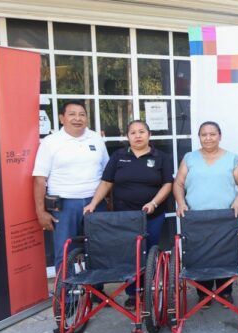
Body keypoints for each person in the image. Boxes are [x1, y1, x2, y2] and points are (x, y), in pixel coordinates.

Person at [83, 120, 173, 308]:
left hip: (152, 215)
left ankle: (149, 289)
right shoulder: (118, 156)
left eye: (142, 132)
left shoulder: (161, 157)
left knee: (149, 251)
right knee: (129, 254)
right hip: (124, 217)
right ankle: (133, 293)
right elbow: (107, 182)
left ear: (149, 135)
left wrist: (154, 203)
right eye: (133, 132)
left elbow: (168, 184)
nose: (138, 136)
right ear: (127, 136)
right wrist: (93, 203)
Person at [173, 121, 238, 305]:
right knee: (200, 253)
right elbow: (178, 184)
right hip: (196, 217)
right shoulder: (189, 158)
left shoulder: (231, 158)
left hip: (225, 217)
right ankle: (203, 293)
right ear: (199, 137)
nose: (208, 138)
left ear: (220, 136)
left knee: (225, 252)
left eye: (212, 134)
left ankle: (225, 291)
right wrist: (181, 202)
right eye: (204, 134)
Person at [33, 100, 109, 272]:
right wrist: (41, 211)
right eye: (72, 114)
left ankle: (96, 290)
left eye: (82, 114)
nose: (78, 118)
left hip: (95, 202)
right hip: (64, 205)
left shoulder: (96, 139)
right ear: (62, 118)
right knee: (65, 251)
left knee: (98, 248)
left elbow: (107, 173)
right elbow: (39, 179)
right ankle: (65, 297)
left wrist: (108, 201)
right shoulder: (51, 142)